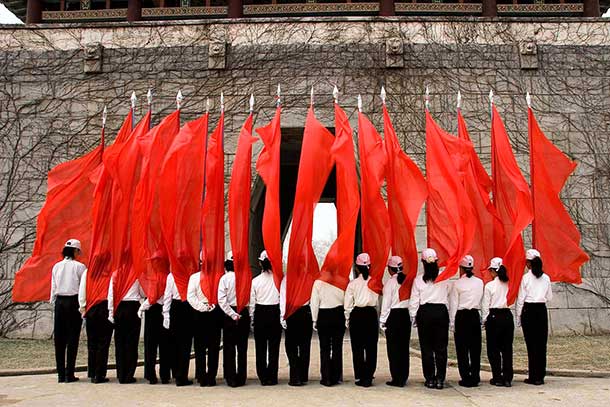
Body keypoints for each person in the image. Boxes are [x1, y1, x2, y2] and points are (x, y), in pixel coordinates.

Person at [409, 248, 450, 390]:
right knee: (441, 347)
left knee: (426, 348)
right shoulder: (444, 277)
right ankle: (440, 379)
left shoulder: (419, 280)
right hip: (440, 312)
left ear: (423, 263)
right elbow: (448, 295)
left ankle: (430, 378)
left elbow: (414, 300)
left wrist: (414, 317)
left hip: (425, 313)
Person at [50, 239, 86, 383]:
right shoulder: (80, 267)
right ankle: (69, 373)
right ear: (76, 251)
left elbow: (53, 287)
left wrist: (54, 302)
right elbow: (83, 287)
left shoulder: (56, 266)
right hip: (73, 302)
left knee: (59, 339)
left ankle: (60, 374)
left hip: (59, 302)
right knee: (72, 338)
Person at [516, 249, 553, 386]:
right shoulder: (546, 278)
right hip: (541, 310)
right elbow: (549, 297)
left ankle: (533, 376)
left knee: (531, 345)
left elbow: (520, 299)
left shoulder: (526, 278)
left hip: (529, 310)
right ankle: (540, 376)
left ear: (529, 263)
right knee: (541, 344)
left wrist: (518, 316)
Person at [449, 255, 484, 388]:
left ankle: (465, 376)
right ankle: (475, 376)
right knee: (475, 348)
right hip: (474, 314)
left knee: (462, 349)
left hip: (461, 316)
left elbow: (454, 304)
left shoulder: (457, 284)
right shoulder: (480, 282)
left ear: (461, 269)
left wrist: (452, 323)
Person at [344, 253, 379, 387]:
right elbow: (377, 301)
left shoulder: (353, 284)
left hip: (357, 314)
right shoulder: (374, 282)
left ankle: (359, 376)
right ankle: (369, 376)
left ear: (357, 268)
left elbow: (348, 304)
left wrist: (347, 319)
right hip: (370, 314)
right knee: (371, 347)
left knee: (357, 347)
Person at [218, 253, 250, 387]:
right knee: (242, 349)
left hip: (229, 314)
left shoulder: (224, 279)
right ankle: (242, 377)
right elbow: (250, 299)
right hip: (243, 311)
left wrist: (232, 314)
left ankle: (230, 377)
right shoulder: (246, 278)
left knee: (229, 347)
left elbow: (221, 299)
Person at [250, 250, 282, 386]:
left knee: (261, 347)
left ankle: (263, 377)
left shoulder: (255, 281)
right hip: (274, 311)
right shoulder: (279, 280)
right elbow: (282, 298)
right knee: (274, 347)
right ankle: (272, 377)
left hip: (260, 312)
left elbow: (252, 302)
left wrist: (252, 318)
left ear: (260, 263)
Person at [482, 257, 514, 387]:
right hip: (507, 315)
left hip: (494, 316)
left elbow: (485, 305)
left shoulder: (490, 286)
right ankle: (507, 378)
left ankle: (497, 377)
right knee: (507, 348)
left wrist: (484, 320)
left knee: (493, 349)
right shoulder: (509, 283)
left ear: (494, 271)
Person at [108, 274, 145, 384]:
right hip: (133, 307)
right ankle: (129, 374)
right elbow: (143, 292)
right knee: (132, 343)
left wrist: (111, 312)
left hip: (119, 307)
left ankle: (121, 374)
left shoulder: (115, 274)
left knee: (120, 342)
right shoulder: (137, 275)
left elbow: (111, 295)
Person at [379, 256, 410, 387]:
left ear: (390, 269)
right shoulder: (407, 281)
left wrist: (382, 320)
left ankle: (396, 377)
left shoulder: (390, 283)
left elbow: (386, 304)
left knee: (393, 349)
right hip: (405, 315)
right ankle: (404, 376)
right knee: (404, 348)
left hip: (394, 316)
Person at [187, 266, 220, 387]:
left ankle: (206, 377)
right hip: (206, 311)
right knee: (208, 347)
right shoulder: (216, 276)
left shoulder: (215, 277)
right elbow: (190, 296)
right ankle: (207, 376)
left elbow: (191, 297)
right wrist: (204, 307)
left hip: (205, 311)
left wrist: (203, 307)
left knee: (207, 346)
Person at [78, 268, 113, 384]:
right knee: (103, 343)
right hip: (105, 306)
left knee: (92, 342)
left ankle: (92, 372)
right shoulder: (110, 271)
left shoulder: (88, 272)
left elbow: (82, 290)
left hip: (92, 307)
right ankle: (100, 373)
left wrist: (82, 306)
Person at [310, 277, 345, 386]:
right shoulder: (342, 280)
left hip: (323, 314)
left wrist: (314, 319)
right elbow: (346, 299)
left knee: (324, 348)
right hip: (338, 313)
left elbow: (314, 302)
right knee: (337, 347)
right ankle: (336, 376)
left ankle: (326, 377)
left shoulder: (318, 282)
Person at [280, 274, 312, 387]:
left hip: (291, 312)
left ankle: (295, 376)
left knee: (291, 346)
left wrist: (282, 316)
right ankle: (303, 376)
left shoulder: (287, 278)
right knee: (305, 346)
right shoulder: (308, 277)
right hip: (305, 312)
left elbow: (283, 298)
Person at [163, 272, 194, 386]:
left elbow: (167, 296)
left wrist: (166, 314)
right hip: (187, 306)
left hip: (176, 307)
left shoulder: (171, 276)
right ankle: (182, 376)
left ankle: (176, 373)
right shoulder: (191, 273)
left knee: (175, 343)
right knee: (185, 345)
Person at [137, 292, 171, 385]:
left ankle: (150, 375)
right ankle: (165, 375)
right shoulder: (168, 277)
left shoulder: (150, 278)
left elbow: (149, 294)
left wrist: (142, 307)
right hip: (165, 307)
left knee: (150, 344)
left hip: (151, 308)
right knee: (165, 344)